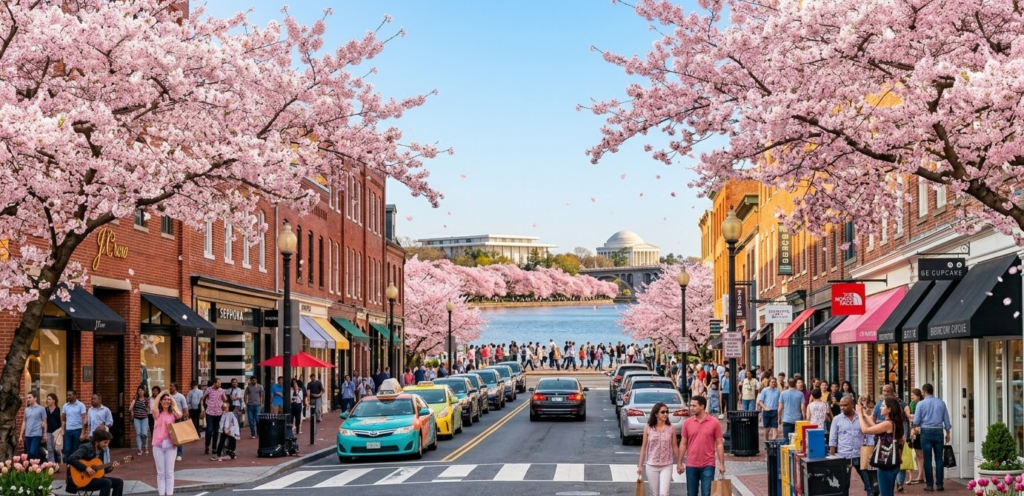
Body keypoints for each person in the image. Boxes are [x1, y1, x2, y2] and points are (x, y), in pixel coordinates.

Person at [676, 395, 726, 496]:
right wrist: (679, 462)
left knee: (707, 493)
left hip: (708, 464)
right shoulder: (687, 423)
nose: (691, 408)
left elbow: (719, 444)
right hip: (691, 464)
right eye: (691, 406)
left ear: (702, 406)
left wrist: (721, 464)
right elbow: (683, 443)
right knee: (691, 493)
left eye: (694, 406)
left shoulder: (714, 422)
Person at [830, 396, 878, 496]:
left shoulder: (860, 417)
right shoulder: (836, 419)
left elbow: (870, 433)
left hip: (860, 455)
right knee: (844, 483)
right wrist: (832, 455)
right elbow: (833, 438)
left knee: (869, 482)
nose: (842, 407)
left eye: (845, 405)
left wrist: (869, 448)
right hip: (843, 455)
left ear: (852, 404)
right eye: (841, 405)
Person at [858, 397, 907, 496]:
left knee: (885, 493)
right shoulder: (893, 422)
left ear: (889, 409)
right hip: (893, 462)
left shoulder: (888, 423)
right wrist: (864, 414)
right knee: (888, 492)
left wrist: (859, 414)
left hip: (885, 463)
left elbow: (865, 430)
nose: (880, 407)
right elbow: (875, 426)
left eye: (883, 405)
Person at [911, 383, 951, 492]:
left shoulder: (921, 404)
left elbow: (916, 421)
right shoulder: (941, 403)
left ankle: (929, 485)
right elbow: (946, 420)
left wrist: (914, 427)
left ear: (923, 392)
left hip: (926, 432)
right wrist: (948, 433)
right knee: (939, 458)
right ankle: (939, 485)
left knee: (927, 459)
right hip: (938, 431)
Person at [638, 402, 678, 496]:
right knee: (654, 494)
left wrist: (680, 462)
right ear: (656, 414)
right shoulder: (648, 428)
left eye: (667, 412)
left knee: (664, 493)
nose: (665, 414)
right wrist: (640, 465)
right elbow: (644, 447)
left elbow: (675, 446)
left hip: (666, 464)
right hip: (651, 465)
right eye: (663, 412)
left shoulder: (671, 428)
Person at [67, 429, 123, 496]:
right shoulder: (85, 448)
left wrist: (111, 467)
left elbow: (101, 470)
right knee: (106, 482)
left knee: (119, 482)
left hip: (93, 478)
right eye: (105, 442)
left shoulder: (101, 450)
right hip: (81, 480)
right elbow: (71, 458)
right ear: (97, 441)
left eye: (108, 443)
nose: (106, 445)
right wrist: (86, 468)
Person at [150, 391, 183, 496]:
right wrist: (161, 394)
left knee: (169, 472)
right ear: (161, 401)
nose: (167, 401)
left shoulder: (173, 413)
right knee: (160, 473)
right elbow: (155, 404)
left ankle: (169, 494)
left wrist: (171, 399)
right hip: (158, 445)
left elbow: (179, 414)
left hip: (171, 445)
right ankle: (161, 494)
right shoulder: (157, 413)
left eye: (168, 400)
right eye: (165, 399)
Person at [61, 389, 88, 471]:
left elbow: (84, 419)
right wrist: (63, 429)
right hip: (68, 430)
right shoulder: (65, 406)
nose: (68, 397)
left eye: (70, 395)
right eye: (67, 395)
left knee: (76, 449)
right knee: (67, 449)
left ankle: (76, 467)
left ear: (75, 395)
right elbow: (63, 418)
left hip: (77, 430)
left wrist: (83, 433)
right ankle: (68, 467)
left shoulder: (81, 405)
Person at [201, 378, 227, 455]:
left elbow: (225, 399)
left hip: (219, 412)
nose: (220, 384)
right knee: (209, 430)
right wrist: (202, 408)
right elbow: (202, 398)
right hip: (210, 412)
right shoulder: (209, 389)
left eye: (220, 383)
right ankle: (207, 445)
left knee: (216, 432)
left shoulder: (221, 390)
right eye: (218, 383)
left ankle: (214, 448)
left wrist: (224, 400)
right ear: (215, 383)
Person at [905, 388, 925, 485]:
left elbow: (918, 417)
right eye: (911, 395)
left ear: (918, 396)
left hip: (920, 430)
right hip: (913, 429)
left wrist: (910, 415)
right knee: (917, 454)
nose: (912, 397)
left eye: (913, 395)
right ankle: (919, 476)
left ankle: (921, 476)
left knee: (920, 454)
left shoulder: (921, 404)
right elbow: (909, 416)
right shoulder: (912, 404)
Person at [21, 391, 46, 459]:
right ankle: (34, 467)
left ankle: (39, 463)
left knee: (32, 451)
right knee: (29, 453)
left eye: (30, 397)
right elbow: (24, 422)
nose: (28, 399)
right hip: (28, 434)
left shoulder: (41, 409)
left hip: (37, 434)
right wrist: (21, 435)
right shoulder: (26, 410)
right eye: (27, 398)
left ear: (35, 398)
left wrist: (45, 433)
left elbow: (45, 421)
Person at [167, 383, 188, 462]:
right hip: (169, 419)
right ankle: (171, 453)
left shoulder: (180, 396)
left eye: (172, 386)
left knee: (178, 437)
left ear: (176, 387)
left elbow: (185, 408)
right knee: (170, 436)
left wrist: (185, 416)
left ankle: (179, 454)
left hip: (178, 418)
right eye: (170, 386)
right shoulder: (167, 396)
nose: (170, 387)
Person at [131, 386, 150, 456]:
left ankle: (146, 447)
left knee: (144, 434)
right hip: (136, 418)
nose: (140, 391)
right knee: (138, 433)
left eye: (141, 390)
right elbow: (132, 408)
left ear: (144, 391)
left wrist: (146, 408)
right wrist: (132, 414)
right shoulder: (135, 399)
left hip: (144, 418)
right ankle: (139, 448)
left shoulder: (147, 400)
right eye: (139, 390)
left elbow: (148, 409)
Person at [45, 393, 62, 467]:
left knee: (57, 450)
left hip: (57, 432)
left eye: (49, 399)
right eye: (47, 399)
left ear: (54, 400)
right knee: (50, 449)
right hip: (48, 431)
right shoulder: (45, 410)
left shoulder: (58, 410)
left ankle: (59, 465)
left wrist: (62, 431)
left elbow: (61, 421)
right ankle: (51, 465)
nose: (47, 400)